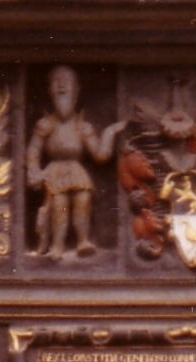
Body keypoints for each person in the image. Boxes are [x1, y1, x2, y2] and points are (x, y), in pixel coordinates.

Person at [27, 65, 126, 260]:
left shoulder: (83, 127)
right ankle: (58, 245)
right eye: (56, 82)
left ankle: (83, 240)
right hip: (55, 171)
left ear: (77, 90)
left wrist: (109, 133)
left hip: (77, 171)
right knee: (59, 205)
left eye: (67, 82)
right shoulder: (45, 125)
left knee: (83, 201)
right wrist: (34, 170)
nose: (62, 86)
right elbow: (32, 151)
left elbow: (100, 155)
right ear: (49, 90)